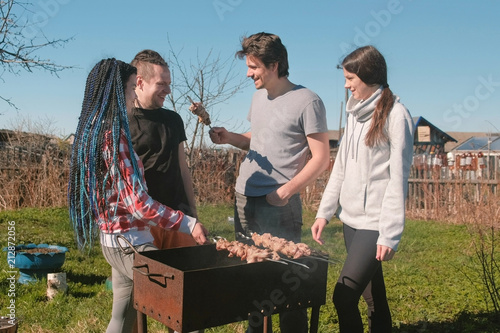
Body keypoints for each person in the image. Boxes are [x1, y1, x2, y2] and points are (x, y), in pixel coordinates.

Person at [68, 58, 209, 333]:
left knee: (122, 317)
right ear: (117, 91)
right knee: (183, 304)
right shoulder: (113, 136)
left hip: (111, 240)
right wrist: (188, 223)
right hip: (132, 244)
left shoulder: (92, 133)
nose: (134, 93)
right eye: (132, 87)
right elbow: (138, 203)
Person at [209, 32, 330, 333]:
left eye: (254, 67)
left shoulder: (307, 101)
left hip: (279, 204)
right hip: (244, 198)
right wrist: (230, 138)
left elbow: (321, 157)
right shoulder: (257, 97)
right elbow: (257, 140)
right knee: (251, 275)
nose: (249, 74)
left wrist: (286, 191)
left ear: (274, 64)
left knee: (287, 283)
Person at [311, 45, 414, 333]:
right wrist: (324, 213)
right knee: (373, 297)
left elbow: (398, 178)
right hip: (351, 222)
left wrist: (390, 233)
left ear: (368, 76)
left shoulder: (396, 115)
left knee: (343, 297)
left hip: (375, 224)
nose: (346, 85)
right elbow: (341, 168)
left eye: (350, 79)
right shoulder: (354, 115)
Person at [129, 49, 199, 250]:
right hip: (141, 223)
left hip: (179, 219)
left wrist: (193, 214)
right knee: (148, 279)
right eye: (161, 84)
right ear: (140, 82)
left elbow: (182, 168)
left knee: (185, 277)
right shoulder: (123, 123)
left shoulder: (173, 120)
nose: (168, 91)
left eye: (169, 84)